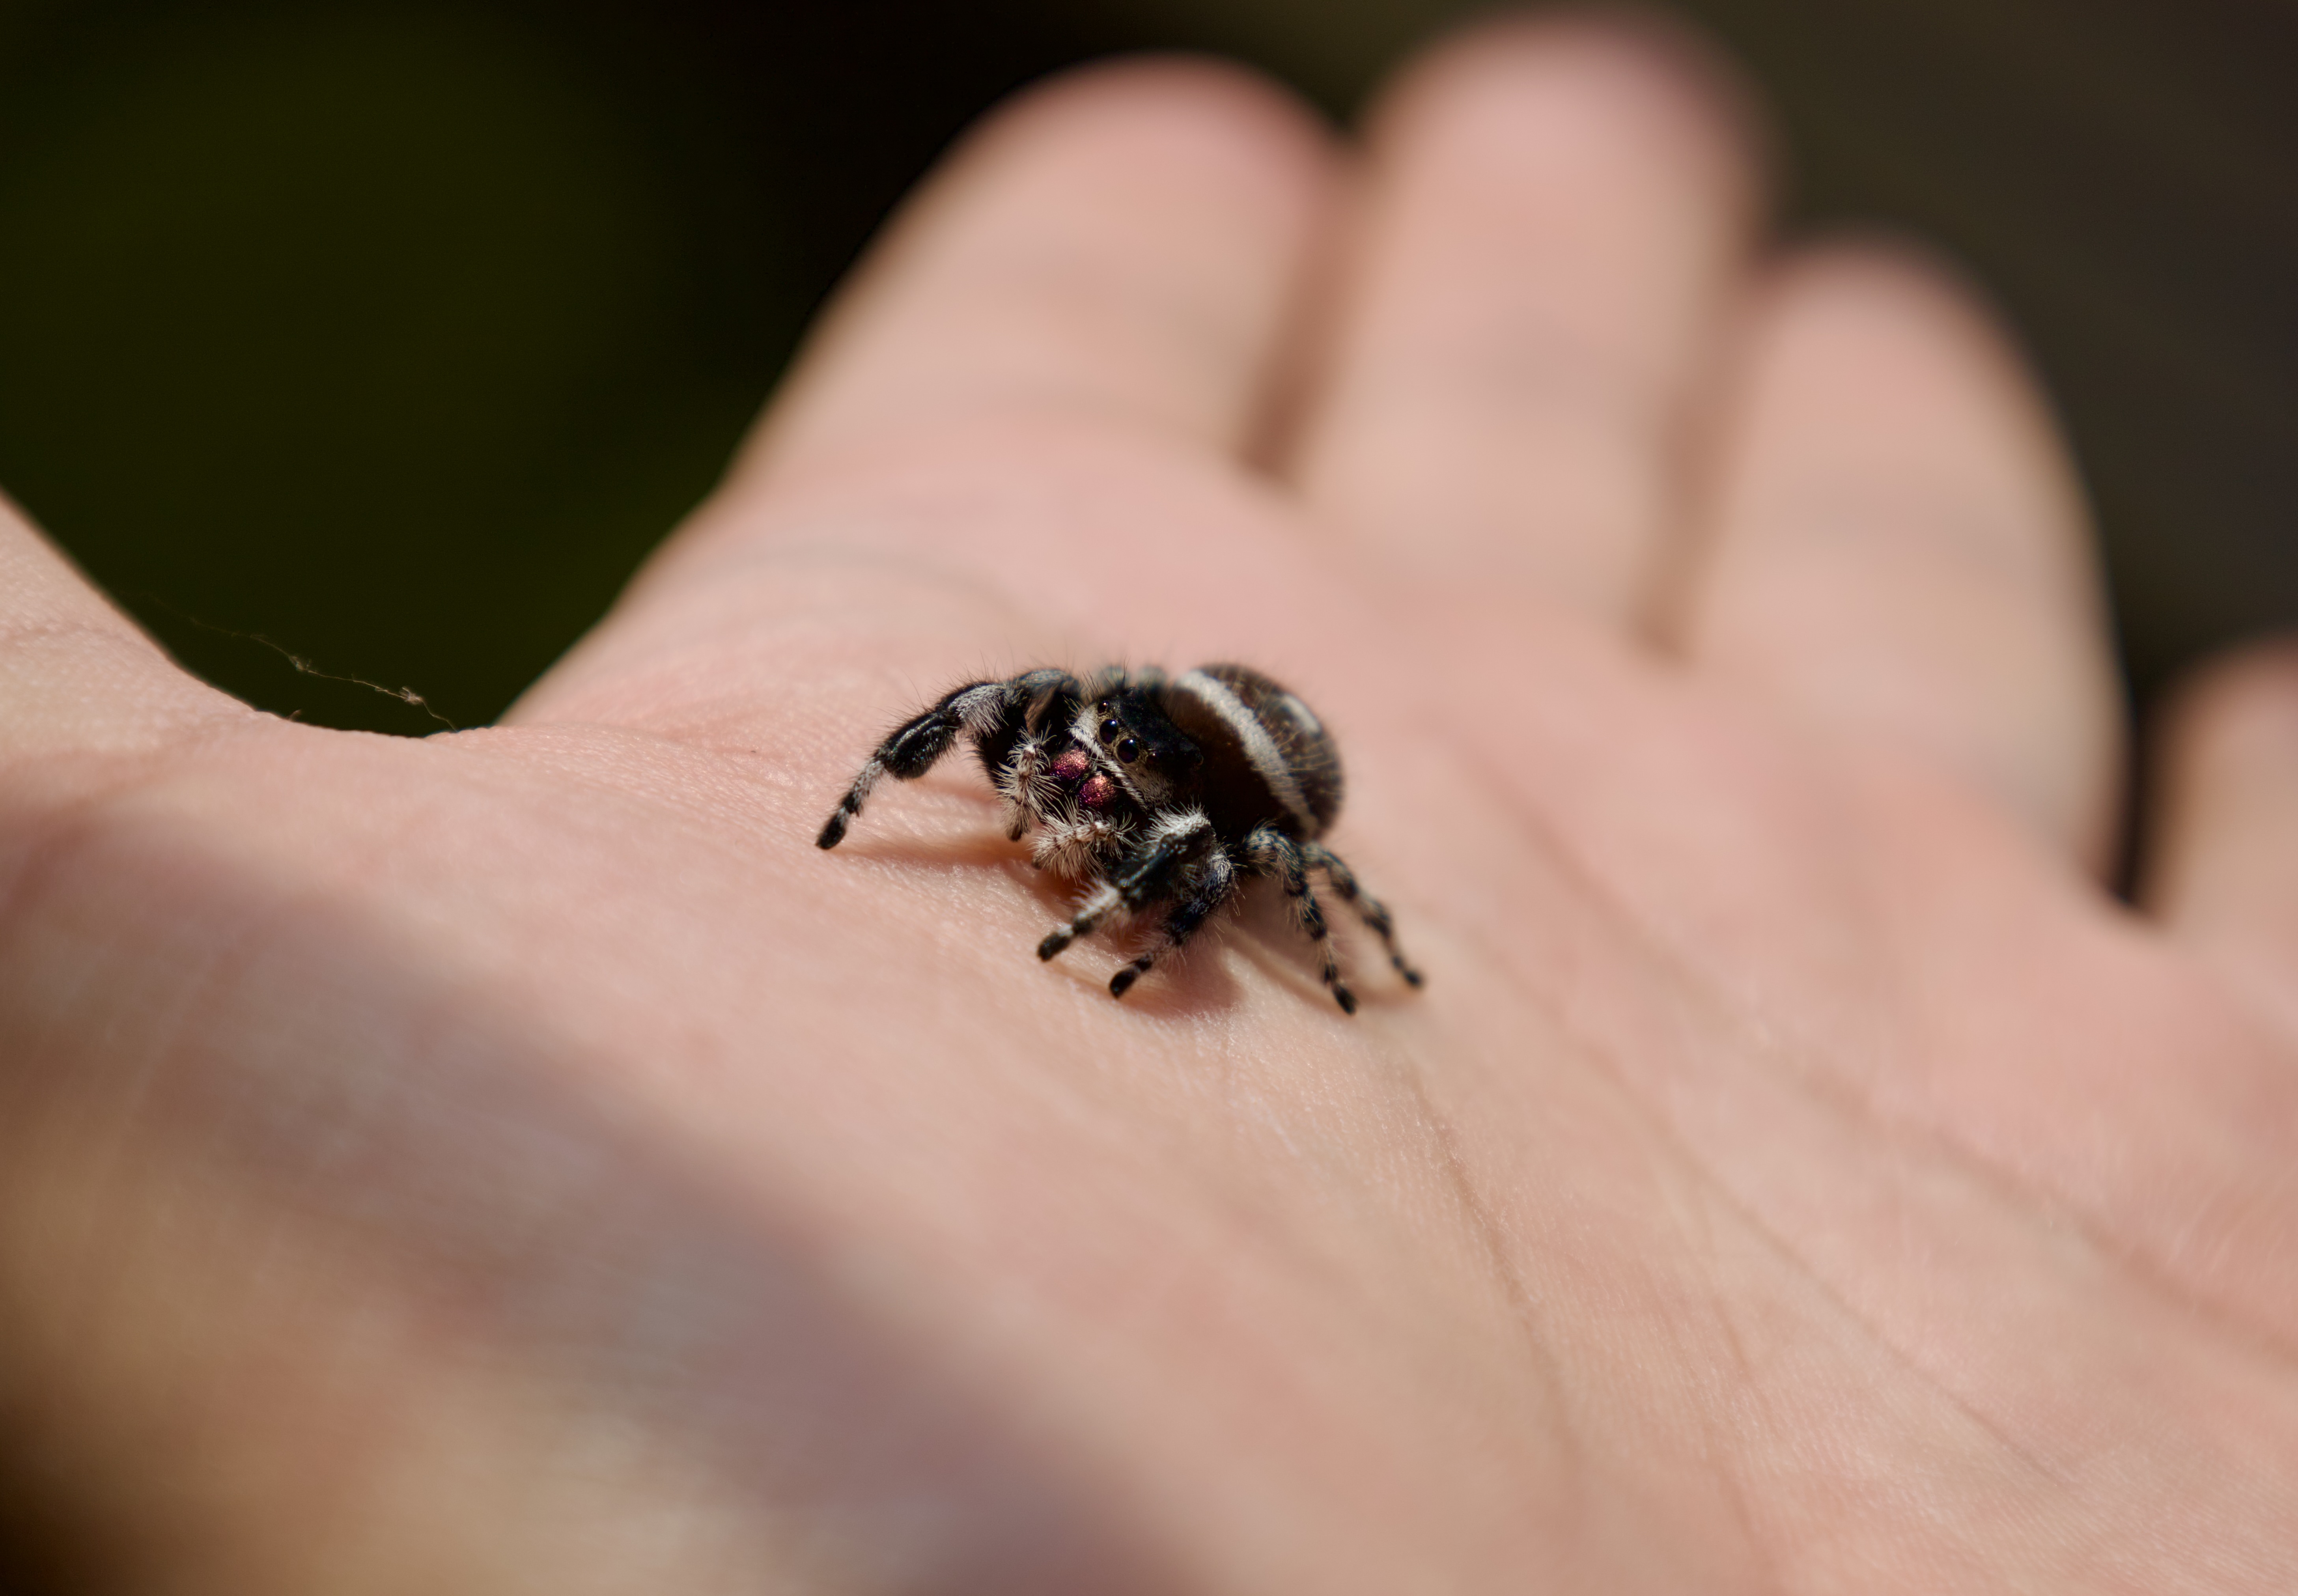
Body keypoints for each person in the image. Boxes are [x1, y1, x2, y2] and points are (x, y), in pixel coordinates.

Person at [3, 14, 2293, 1591]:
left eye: (1091, 807)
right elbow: (1031, 703)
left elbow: (1269, 872)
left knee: (1257, 849)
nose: (1073, 800)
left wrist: (1168, 943)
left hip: (1270, 753)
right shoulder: (1066, 721)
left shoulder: (1217, 831)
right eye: (1066, 788)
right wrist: (871, 813)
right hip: (1200, 692)